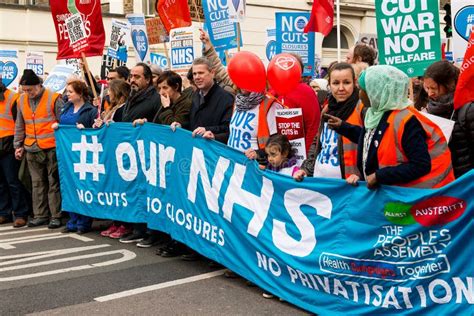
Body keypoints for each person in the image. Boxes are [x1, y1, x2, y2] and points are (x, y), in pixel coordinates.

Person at [329, 65, 454, 189]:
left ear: (376, 91)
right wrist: (343, 127)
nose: (360, 94)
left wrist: (379, 176)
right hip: (391, 193)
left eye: (363, 90)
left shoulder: (406, 120)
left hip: (414, 198)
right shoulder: (376, 114)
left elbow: (420, 165)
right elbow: (372, 140)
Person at [160, 57, 234, 258]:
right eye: (195, 73)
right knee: (192, 203)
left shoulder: (225, 98)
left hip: (213, 160)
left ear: (212, 73)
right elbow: (192, 125)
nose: (197, 76)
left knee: (209, 207)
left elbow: (228, 129)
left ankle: (209, 251)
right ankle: (189, 244)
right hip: (194, 159)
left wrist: (209, 131)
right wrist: (179, 125)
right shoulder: (194, 95)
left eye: (201, 72)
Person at [294, 63, 365, 182]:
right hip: (321, 181)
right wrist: (306, 169)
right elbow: (318, 143)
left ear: (355, 82)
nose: (341, 88)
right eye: (336, 83)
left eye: (346, 82)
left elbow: (371, 145)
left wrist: (361, 175)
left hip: (348, 185)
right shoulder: (327, 109)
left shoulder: (362, 108)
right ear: (329, 85)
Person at [14, 69, 64, 228]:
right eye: (25, 90)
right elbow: (20, 124)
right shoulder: (21, 100)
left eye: (30, 89)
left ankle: (55, 215)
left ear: (39, 85)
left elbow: (61, 124)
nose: (28, 93)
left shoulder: (54, 98)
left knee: (53, 183)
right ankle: (40, 215)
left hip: (51, 147)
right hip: (31, 147)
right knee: (37, 184)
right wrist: (18, 145)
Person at [120, 63, 162, 245]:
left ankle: (152, 232)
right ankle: (138, 228)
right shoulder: (132, 96)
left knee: (149, 192)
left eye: (137, 77)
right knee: (135, 191)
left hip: (148, 153)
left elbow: (158, 122)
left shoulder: (155, 98)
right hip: (132, 151)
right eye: (131, 76)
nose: (132, 80)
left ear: (147, 79)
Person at [52, 79, 97, 234]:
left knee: (82, 187)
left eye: (70, 92)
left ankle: (83, 222)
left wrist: (86, 129)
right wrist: (58, 126)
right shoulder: (66, 108)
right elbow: (62, 123)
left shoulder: (90, 110)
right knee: (69, 186)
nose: (67, 94)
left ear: (80, 93)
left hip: (82, 155)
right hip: (66, 154)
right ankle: (72, 220)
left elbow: (96, 131)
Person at [415, 60, 474, 178]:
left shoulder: (468, 109)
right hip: (443, 178)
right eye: (427, 88)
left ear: (449, 85)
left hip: (465, 180)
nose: (430, 93)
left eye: (434, 88)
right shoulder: (429, 108)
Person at [0, 80, 30, 227]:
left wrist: (19, 144)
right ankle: (4, 212)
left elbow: (20, 123)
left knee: (13, 181)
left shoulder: (13, 98)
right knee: (1, 183)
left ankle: (20, 213)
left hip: (9, 145)